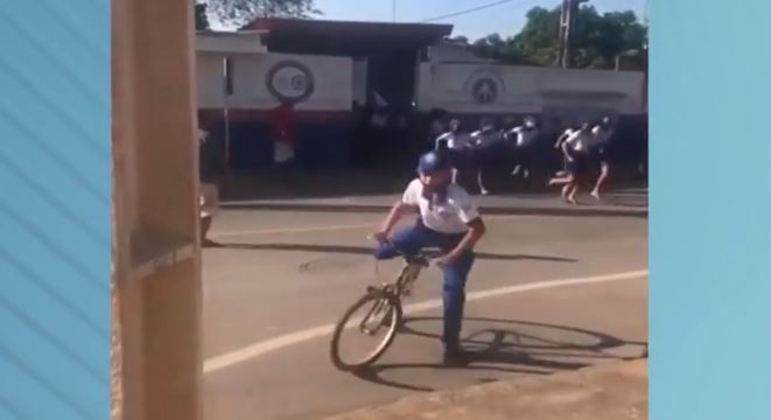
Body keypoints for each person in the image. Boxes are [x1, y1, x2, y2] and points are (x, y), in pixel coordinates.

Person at [372, 150, 486, 366]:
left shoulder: (457, 196)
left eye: (434, 175)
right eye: (425, 173)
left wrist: (454, 255)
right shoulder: (416, 185)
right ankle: (403, 285)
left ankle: (451, 347)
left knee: (452, 293)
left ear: (446, 175)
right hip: (425, 230)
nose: (428, 179)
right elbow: (402, 206)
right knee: (382, 252)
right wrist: (384, 231)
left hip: (454, 241)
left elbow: (477, 229)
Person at [548, 122, 592, 204]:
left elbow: (586, 147)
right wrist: (568, 156)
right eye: (586, 127)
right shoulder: (578, 134)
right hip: (575, 156)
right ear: (582, 127)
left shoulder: (589, 135)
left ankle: (571, 196)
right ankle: (554, 180)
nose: (588, 128)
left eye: (589, 127)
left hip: (583, 156)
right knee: (572, 178)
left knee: (581, 179)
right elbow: (564, 144)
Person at [198, 129, 220, 247]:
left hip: (190, 179)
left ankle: (195, 237)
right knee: (207, 210)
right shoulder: (206, 138)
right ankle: (201, 238)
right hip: (207, 178)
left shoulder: (184, 135)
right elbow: (216, 157)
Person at [434, 118, 471, 184]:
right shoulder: (449, 134)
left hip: (460, 152)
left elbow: (469, 141)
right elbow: (438, 140)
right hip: (451, 152)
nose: (455, 126)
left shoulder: (464, 134)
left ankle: (456, 182)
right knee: (451, 168)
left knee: (458, 169)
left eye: (457, 125)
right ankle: (451, 182)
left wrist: (468, 146)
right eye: (454, 125)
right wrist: (437, 149)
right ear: (451, 126)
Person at [469, 119, 501, 195]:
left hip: (492, 155)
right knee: (481, 172)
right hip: (480, 155)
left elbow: (499, 144)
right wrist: (475, 147)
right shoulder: (475, 135)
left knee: (492, 172)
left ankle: (492, 187)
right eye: (486, 125)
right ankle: (483, 188)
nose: (488, 127)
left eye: (490, 125)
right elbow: (469, 144)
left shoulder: (496, 135)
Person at [588, 116, 615, 200]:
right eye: (606, 122)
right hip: (596, 151)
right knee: (603, 172)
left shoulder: (610, 130)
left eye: (609, 122)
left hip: (605, 150)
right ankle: (595, 189)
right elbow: (591, 141)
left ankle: (596, 189)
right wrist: (597, 148)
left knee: (605, 172)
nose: (607, 124)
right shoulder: (597, 129)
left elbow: (608, 140)